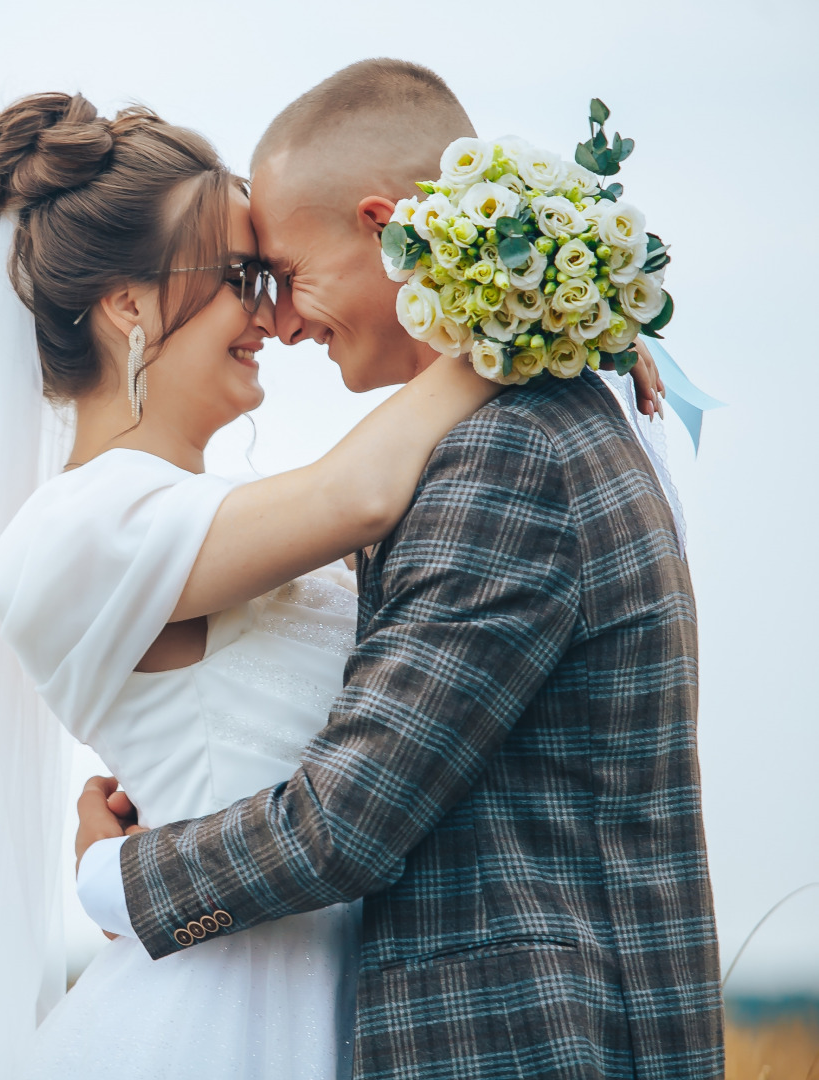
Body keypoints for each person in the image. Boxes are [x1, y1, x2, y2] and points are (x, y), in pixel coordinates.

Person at [72, 60, 725, 1078]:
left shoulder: (510, 453)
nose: (281, 320)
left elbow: (349, 822)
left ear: (385, 225)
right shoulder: (521, 427)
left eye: (288, 273)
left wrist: (116, 875)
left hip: (524, 1042)